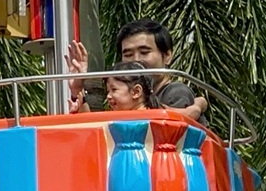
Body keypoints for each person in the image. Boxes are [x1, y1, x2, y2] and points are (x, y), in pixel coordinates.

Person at [66, 19, 207, 123]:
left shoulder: (176, 92)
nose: (136, 60)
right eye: (128, 55)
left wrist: (197, 106)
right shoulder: (124, 100)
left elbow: (169, 129)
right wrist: (78, 88)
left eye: (144, 52)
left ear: (167, 56)